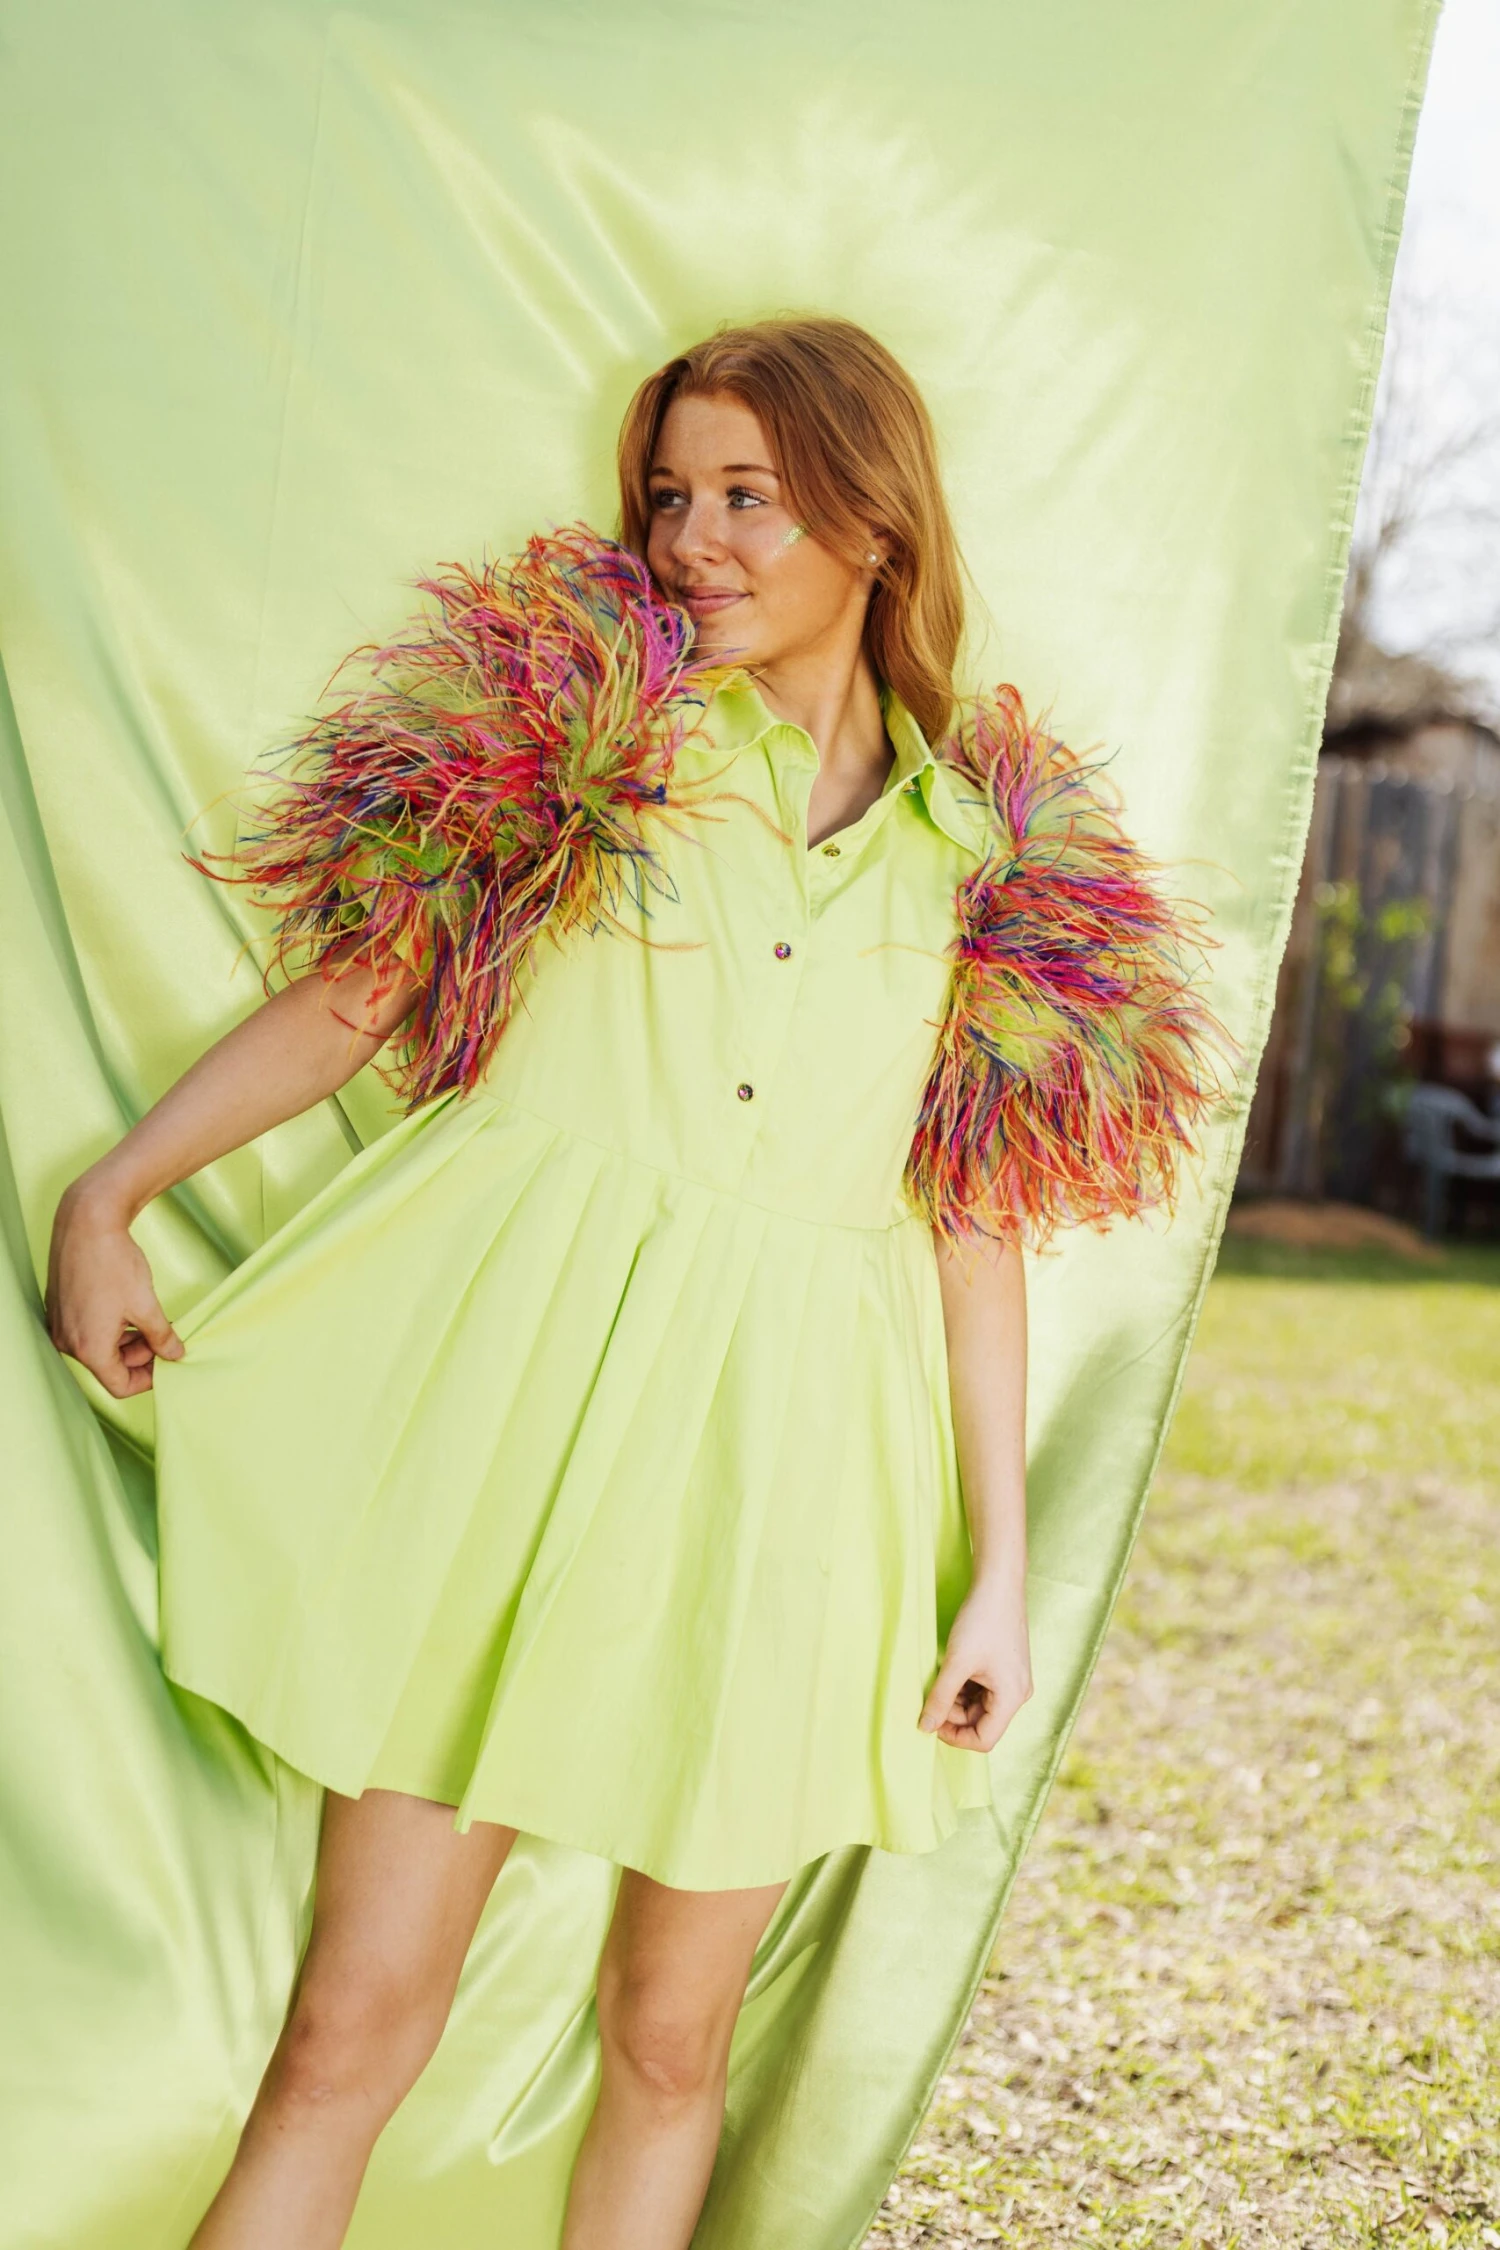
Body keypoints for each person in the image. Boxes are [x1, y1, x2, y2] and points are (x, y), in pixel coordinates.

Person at [44, 315, 1219, 2250]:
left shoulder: (987, 856)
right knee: (352, 2027)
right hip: (507, 1424)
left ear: (876, 516)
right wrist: (117, 1191)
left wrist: (996, 1563)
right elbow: (367, 987)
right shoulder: (594, 732)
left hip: (789, 1477)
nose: (695, 538)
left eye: (750, 495)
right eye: (673, 495)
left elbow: (977, 1227)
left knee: (672, 2043)